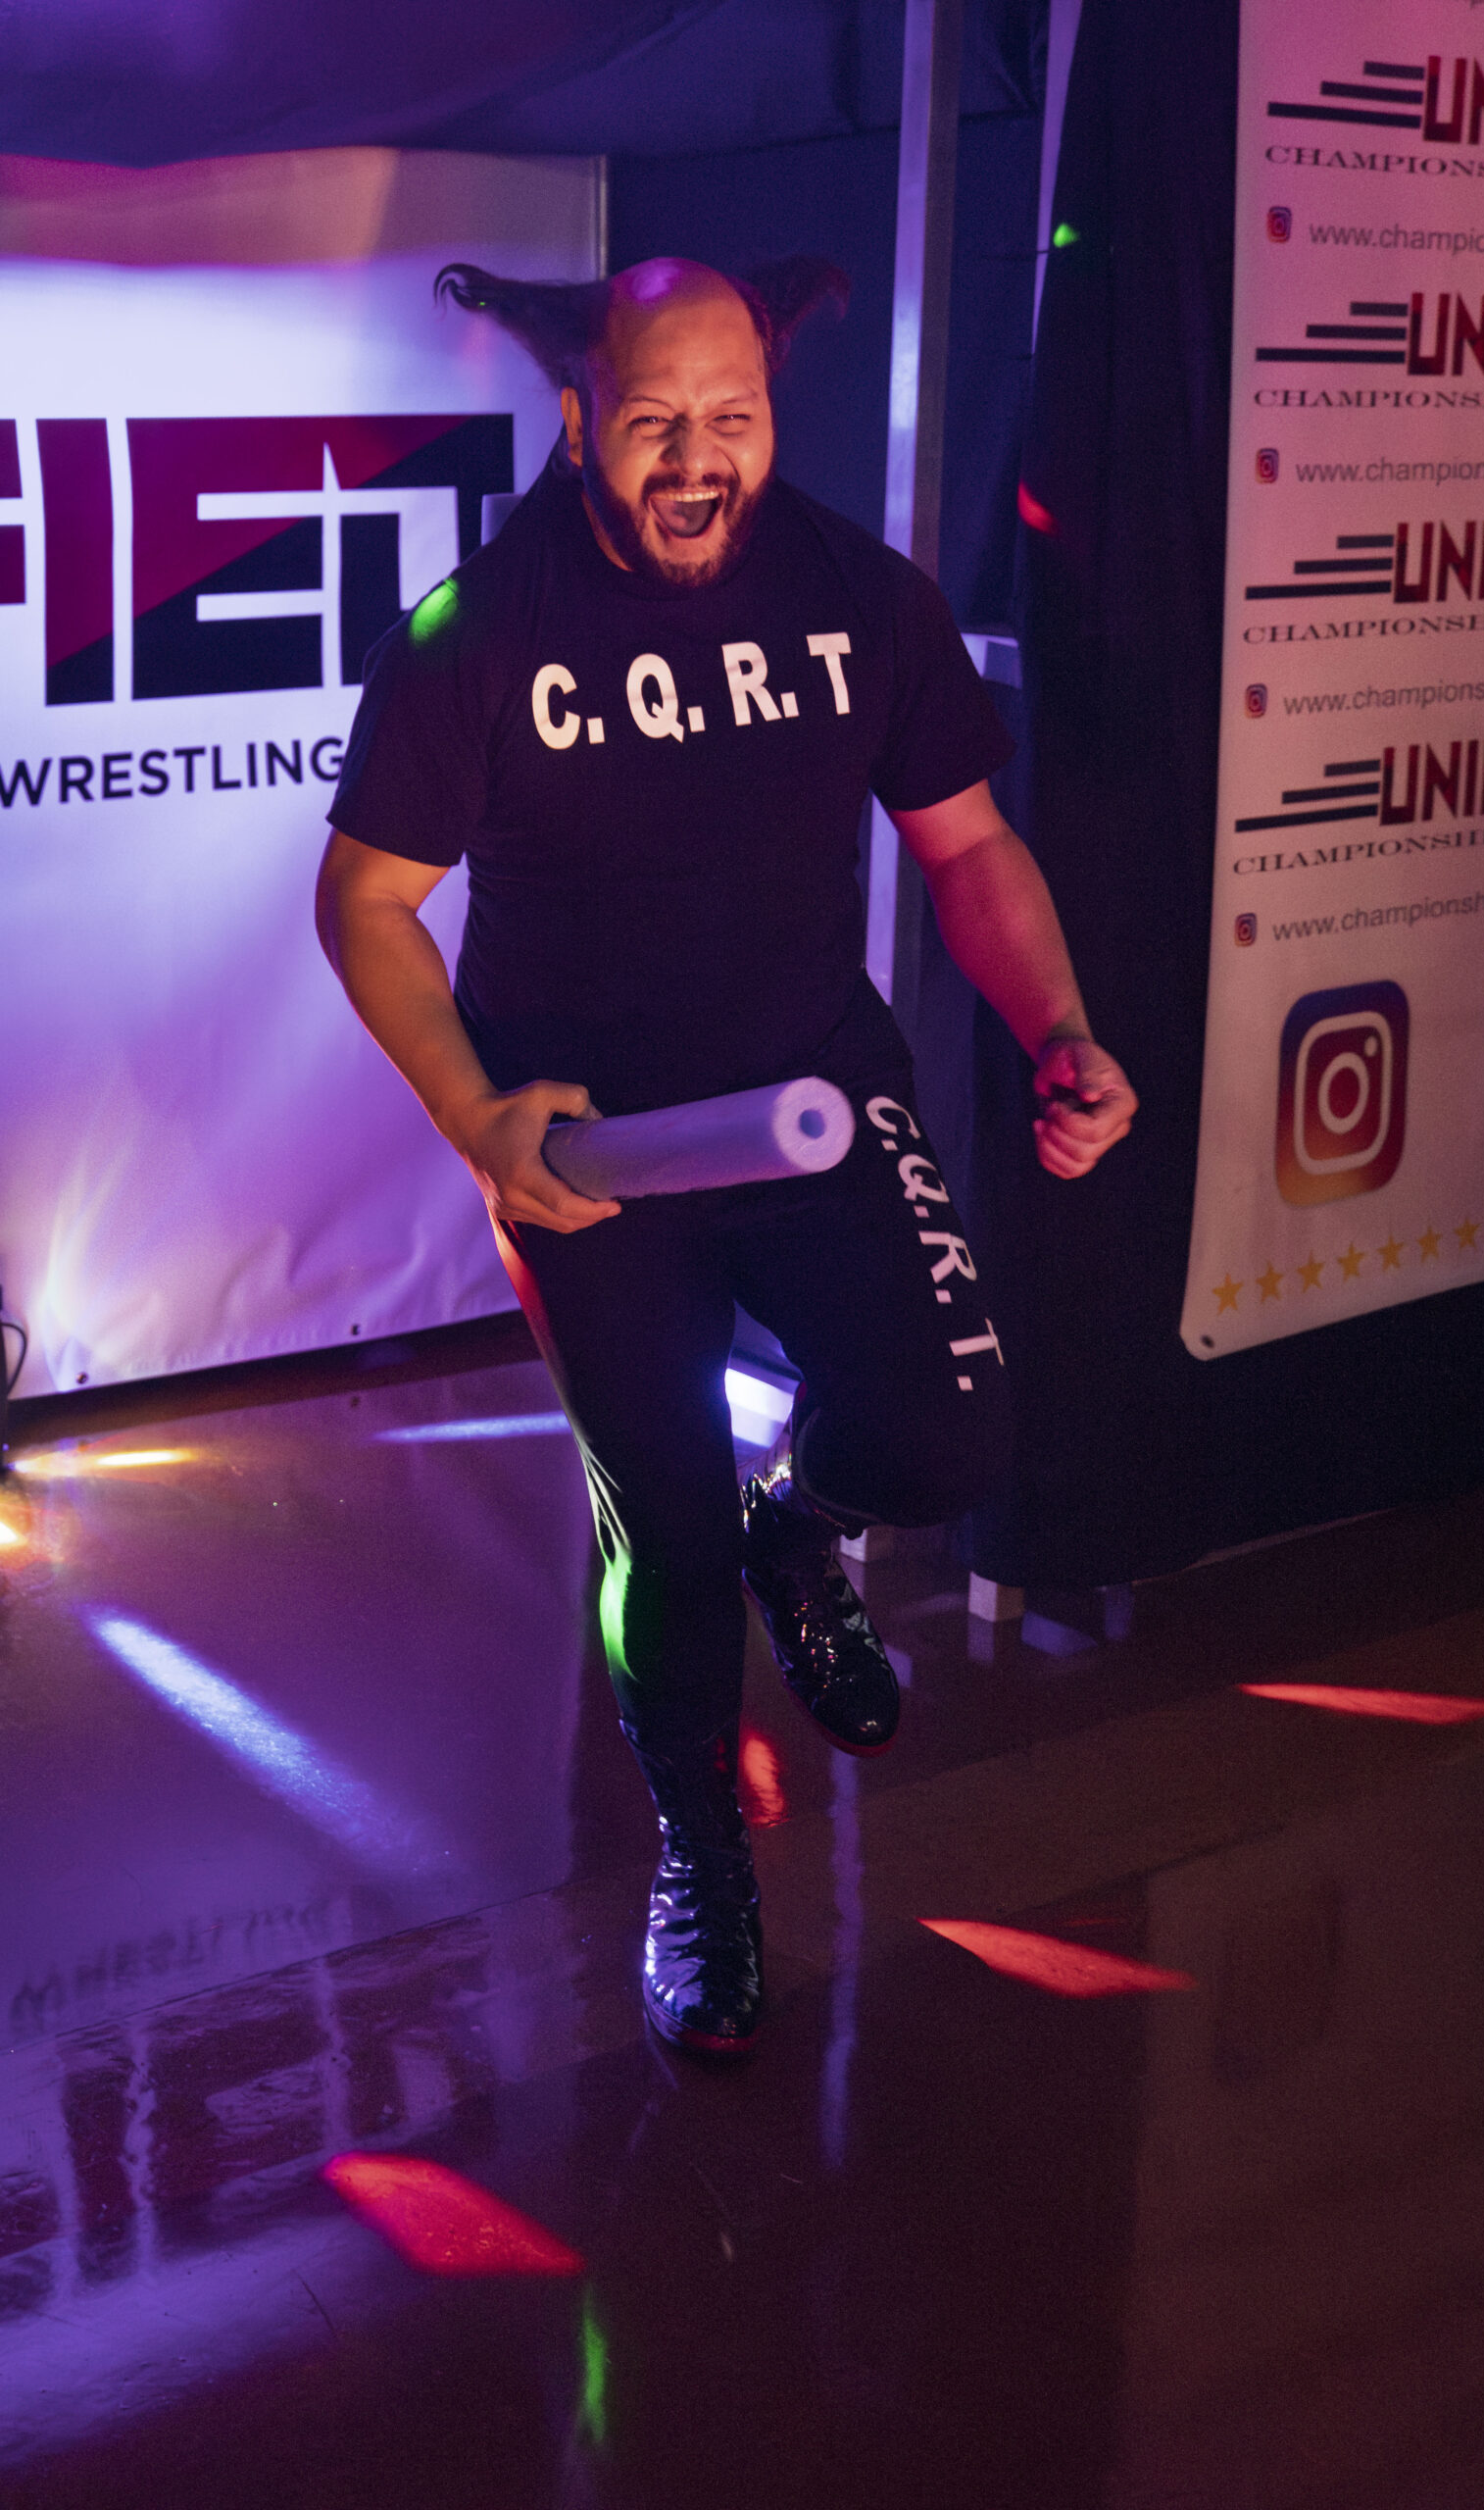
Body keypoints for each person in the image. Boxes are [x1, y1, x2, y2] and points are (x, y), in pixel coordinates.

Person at [315, 254, 1136, 2058]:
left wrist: (1057, 1027)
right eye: (655, 419)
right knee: (664, 1524)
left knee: (951, 1435)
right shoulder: (479, 630)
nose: (697, 457)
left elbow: (966, 846)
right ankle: (703, 1851)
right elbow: (366, 902)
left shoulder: (860, 595)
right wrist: (477, 1117)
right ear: (578, 421)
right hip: (589, 1146)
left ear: (773, 414)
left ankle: (803, 1525)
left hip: (812, 1095)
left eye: (732, 416)